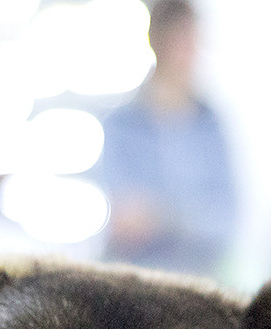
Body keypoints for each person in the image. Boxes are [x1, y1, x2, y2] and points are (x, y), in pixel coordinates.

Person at [97, 0, 237, 280]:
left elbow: (225, 220)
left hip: (199, 281)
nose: (190, 54)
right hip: (132, 281)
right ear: (158, 43)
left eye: (194, 43)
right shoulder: (120, 125)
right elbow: (124, 221)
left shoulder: (211, 126)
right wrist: (187, 216)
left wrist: (160, 216)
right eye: (181, 41)